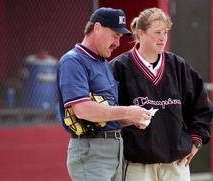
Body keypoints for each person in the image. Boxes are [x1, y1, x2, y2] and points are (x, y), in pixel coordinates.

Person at [111, 8, 213, 181]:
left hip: (176, 165)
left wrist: (196, 140)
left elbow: (202, 107)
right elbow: (107, 113)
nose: (163, 38)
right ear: (141, 33)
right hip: (137, 165)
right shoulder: (119, 68)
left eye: (165, 32)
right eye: (157, 32)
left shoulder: (179, 66)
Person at [57, 7, 151, 181]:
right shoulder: (73, 60)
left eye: (120, 37)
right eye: (115, 35)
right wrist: (128, 111)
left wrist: (132, 119)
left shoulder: (104, 64)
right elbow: (83, 110)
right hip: (91, 150)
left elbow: (105, 117)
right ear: (97, 28)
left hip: (115, 149)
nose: (117, 43)